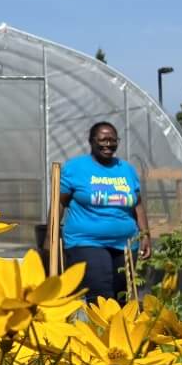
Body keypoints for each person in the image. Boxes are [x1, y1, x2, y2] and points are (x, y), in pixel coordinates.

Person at [58, 121, 151, 303]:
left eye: (113, 140)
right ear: (91, 141)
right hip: (86, 241)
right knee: (101, 291)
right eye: (103, 139)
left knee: (123, 294)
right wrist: (50, 237)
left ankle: (121, 330)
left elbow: (137, 204)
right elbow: (60, 204)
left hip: (126, 243)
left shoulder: (126, 169)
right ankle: (100, 330)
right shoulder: (75, 168)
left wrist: (145, 235)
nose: (108, 144)